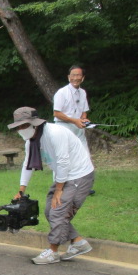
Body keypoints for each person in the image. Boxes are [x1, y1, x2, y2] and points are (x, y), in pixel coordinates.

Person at [8, 107, 95, 265]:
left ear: (35, 124)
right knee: (50, 211)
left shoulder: (55, 133)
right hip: (63, 176)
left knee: (58, 212)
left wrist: (59, 190)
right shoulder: (32, 142)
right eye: (18, 127)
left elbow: (63, 161)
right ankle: (78, 242)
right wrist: (21, 190)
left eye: (24, 126)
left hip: (78, 175)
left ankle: (53, 252)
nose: (21, 130)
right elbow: (27, 165)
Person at [53, 64, 95, 195]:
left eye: (78, 75)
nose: (76, 78)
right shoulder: (61, 92)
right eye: (73, 75)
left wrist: (83, 119)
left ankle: (83, 187)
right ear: (68, 77)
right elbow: (57, 113)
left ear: (83, 78)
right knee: (63, 157)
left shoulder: (83, 92)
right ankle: (58, 186)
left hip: (78, 129)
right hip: (63, 128)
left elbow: (84, 111)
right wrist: (74, 121)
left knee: (84, 157)